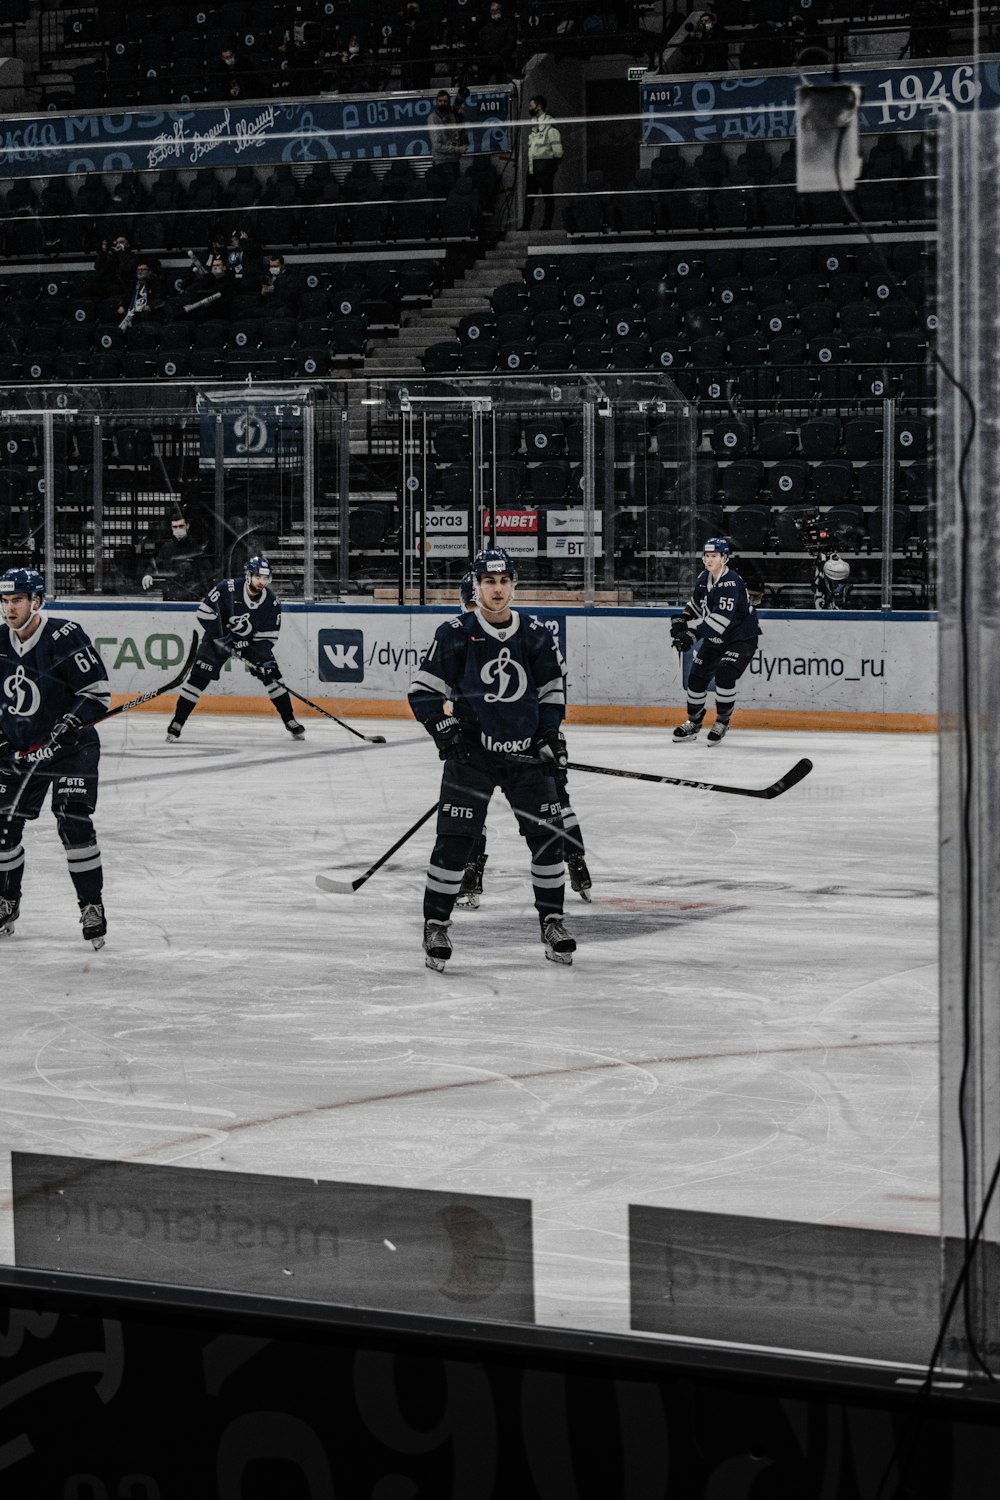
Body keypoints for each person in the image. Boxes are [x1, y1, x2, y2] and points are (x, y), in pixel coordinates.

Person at [408, 547, 576, 970]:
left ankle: (552, 921)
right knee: (454, 843)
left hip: (526, 761)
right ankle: (436, 924)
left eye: (503, 582)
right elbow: (423, 692)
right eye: (489, 582)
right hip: (472, 760)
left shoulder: (536, 633)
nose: (497, 590)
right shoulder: (455, 633)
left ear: (513, 584)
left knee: (550, 841)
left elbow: (552, 693)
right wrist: (445, 730)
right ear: (477, 586)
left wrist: (549, 738)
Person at [452, 569, 592, 910]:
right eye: (471, 604)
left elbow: (552, 685)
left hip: (532, 738)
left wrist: (548, 733)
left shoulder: (525, 635)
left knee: (555, 801)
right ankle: (470, 875)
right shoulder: (460, 638)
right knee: (473, 808)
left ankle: (574, 857)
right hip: (482, 744)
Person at [0, 568, 111, 949]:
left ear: (37, 601)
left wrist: (71, 720)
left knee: (73, 823)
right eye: (4, 600)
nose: (9, 608)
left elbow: (96, 694)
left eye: (17, 600)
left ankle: (91, 905)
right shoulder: (0, 640)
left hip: (72, 749)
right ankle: (7, 901)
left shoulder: (64, 634)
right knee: (2, 829)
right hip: (22, 751)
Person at [166, 555, 304, 743]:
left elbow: (267, 636)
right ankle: (178, 722)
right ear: (248, 575)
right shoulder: (227, 588)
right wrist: (224, 639)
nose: (262, 582)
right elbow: (204, 613)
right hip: (217, 639)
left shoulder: (271, 603)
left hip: (250, 643)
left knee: (273, 676)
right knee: (198, 679)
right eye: (258, 577)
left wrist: (260, 657)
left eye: (265, 578)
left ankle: (290, 720)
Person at [670, 537, 761, 745]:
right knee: (696, 680)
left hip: (740, 638)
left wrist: (691, 634)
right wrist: (682, 617)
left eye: (714, 556)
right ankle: (693, 722)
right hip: (716, 638)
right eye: (707, 555)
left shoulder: (731, 582)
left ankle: (722, 721)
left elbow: (719, 621)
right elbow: (696, 605)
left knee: (725, 673)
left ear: (725, 558)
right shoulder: (704, 577)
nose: (709, 559)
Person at [142, 514, 210, 602]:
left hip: (192, 598)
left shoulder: (196, 549)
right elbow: (156, 566)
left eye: (181, 526)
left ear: (187, 526)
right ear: (171, 528)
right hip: (171, 597)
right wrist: (148, 575)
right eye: (175, 527)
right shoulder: (166, 548)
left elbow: (205, 575)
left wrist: (204, 594)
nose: (178, 529)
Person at [521, 96, 563, 232]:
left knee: (547, 199)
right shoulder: (534, 127)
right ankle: (526, 225)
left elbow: (558, 151)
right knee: (530, 198)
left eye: (531, 105)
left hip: (545, 167)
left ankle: (546, 225)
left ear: (538, 106)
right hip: (533, 167)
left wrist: (552, 167)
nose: (529, 108)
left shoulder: (551, 128)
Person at [429, 87, 469, 181]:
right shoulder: (434, 118)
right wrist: (458, 149)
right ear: (436, 102)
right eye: (440, 101)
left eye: (445, 101)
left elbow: (458, 132)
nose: (442, 103)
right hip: (442, 162)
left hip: (454, 160)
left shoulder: (451, 115)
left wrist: (459, 118)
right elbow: (437, 146)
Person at [475, 2, 518, 84]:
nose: (494, 13)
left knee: (502, 82)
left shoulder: (508, 24)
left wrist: (499, 55)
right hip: (488, 59)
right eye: (492, 10)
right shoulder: (487, 26)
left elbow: (511, 43)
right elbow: (481, 42)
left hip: (502, 60)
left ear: (501, 10)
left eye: (496, 10)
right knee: (482, 81)